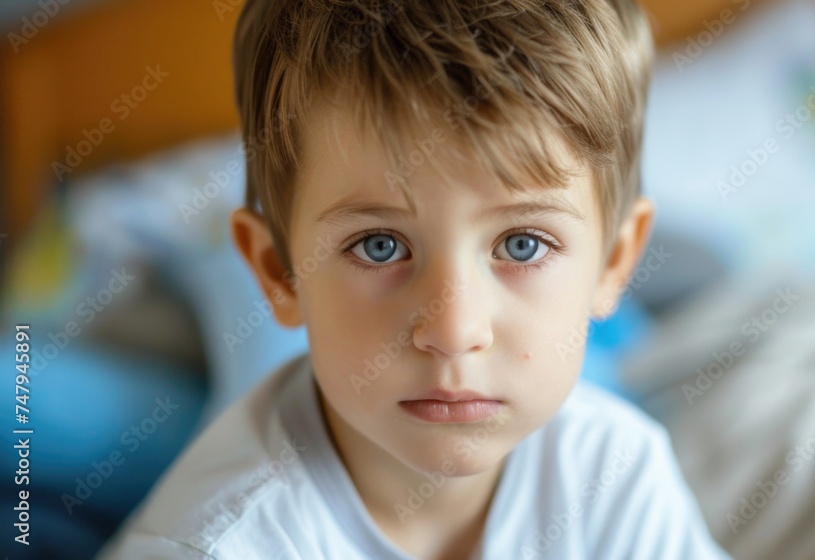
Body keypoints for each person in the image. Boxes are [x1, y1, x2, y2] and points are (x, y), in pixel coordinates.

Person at [99, 0, 731, 558]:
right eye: (379, 246)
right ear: (278, 271)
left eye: (522, 243)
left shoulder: (615, 473)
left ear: (613, 263)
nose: (454, 331)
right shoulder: (219, 545)